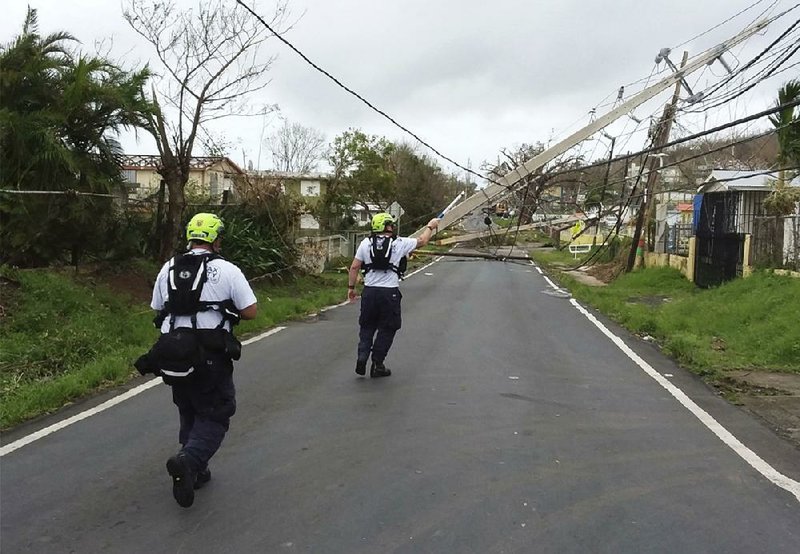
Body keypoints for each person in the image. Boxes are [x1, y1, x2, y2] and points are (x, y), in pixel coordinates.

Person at [144, 213, 257, 508]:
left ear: (190, 238)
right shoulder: (227, 269)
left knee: (189, 407)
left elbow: (157, 306)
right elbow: (251, 311)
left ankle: (197, 469)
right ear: (216, 239)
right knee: (217, 412)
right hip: (209, 354)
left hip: (174, 354)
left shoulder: (169, 267)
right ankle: (190, 460)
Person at [347, 212, 439, 378]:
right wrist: (430, 226)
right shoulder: (400, 243)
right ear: (386, 226)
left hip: (370, 292)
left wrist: (351, 287)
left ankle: (362, 356)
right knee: (388, 327)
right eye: (390, 224)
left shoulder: (365, 243)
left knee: (367, 326)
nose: (392, 227)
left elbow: (354, 267)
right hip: (389, 293)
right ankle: (377, 364)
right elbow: (423, 241)